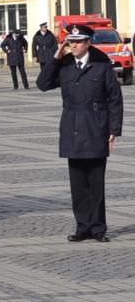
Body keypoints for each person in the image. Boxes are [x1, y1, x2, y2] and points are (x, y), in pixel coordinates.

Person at [36, 24, 123, 242]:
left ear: (88, 43)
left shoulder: (101, 66)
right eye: (69, 42)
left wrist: (114, 130)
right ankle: (82, 227)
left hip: (96, 128)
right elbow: (43, 84)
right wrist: (55, 58)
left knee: (96, 184)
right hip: (72, 128)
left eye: (77, 42)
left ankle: (98, 229)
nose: (72, 45)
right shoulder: (64, 65)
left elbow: (114, 99)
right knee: (78, 186)